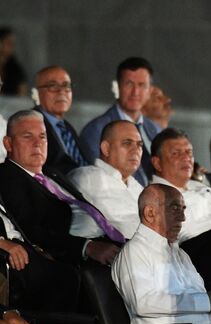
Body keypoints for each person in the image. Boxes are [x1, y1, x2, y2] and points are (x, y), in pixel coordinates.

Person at [0, 110, 121, 266]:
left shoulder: (53, 174)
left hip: (108, 241)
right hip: (76, 258)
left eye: (42, 137)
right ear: (8, 143)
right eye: (27, 137)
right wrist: (87, 247)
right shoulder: (7, 177)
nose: (37, 144)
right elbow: (33, 231)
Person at [112, 184, 211, 324]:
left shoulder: (180, 253)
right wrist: (207, 301)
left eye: (183, 209)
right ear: (150, 213)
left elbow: (200, 299)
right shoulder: (135, 251)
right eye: (174, 208)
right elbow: (143, 303)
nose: (183, 218)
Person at [150, 128, 211, 290]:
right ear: (157, 163)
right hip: (188, 255)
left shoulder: (203, 188)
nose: (186, 158)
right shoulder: (154, 195)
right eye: (176, 154)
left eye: (189, 153)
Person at [80, 57, 160, 186]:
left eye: (141, 85)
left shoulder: (155, 130)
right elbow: (100, 178)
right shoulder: (97, 129)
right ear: (117, 87)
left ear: (150, 91)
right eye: (129, 84)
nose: (135, 92)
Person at [69, 120, 143, 239]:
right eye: (127, 143)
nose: (136, 150)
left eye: (139, 145)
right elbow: (121, 227)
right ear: (106, 148)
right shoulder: (88, 177)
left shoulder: (137, 187)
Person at [34, 66, 90, 173]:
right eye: (53, 86)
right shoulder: (33, 125)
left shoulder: (68, 128)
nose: (61, 92)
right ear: (38, 92)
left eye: (66, 85)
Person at [0, 27, 27, 96]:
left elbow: (22, 94)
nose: (11, 46)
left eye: (13, 44)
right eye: (8, 43)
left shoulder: (15, 69)